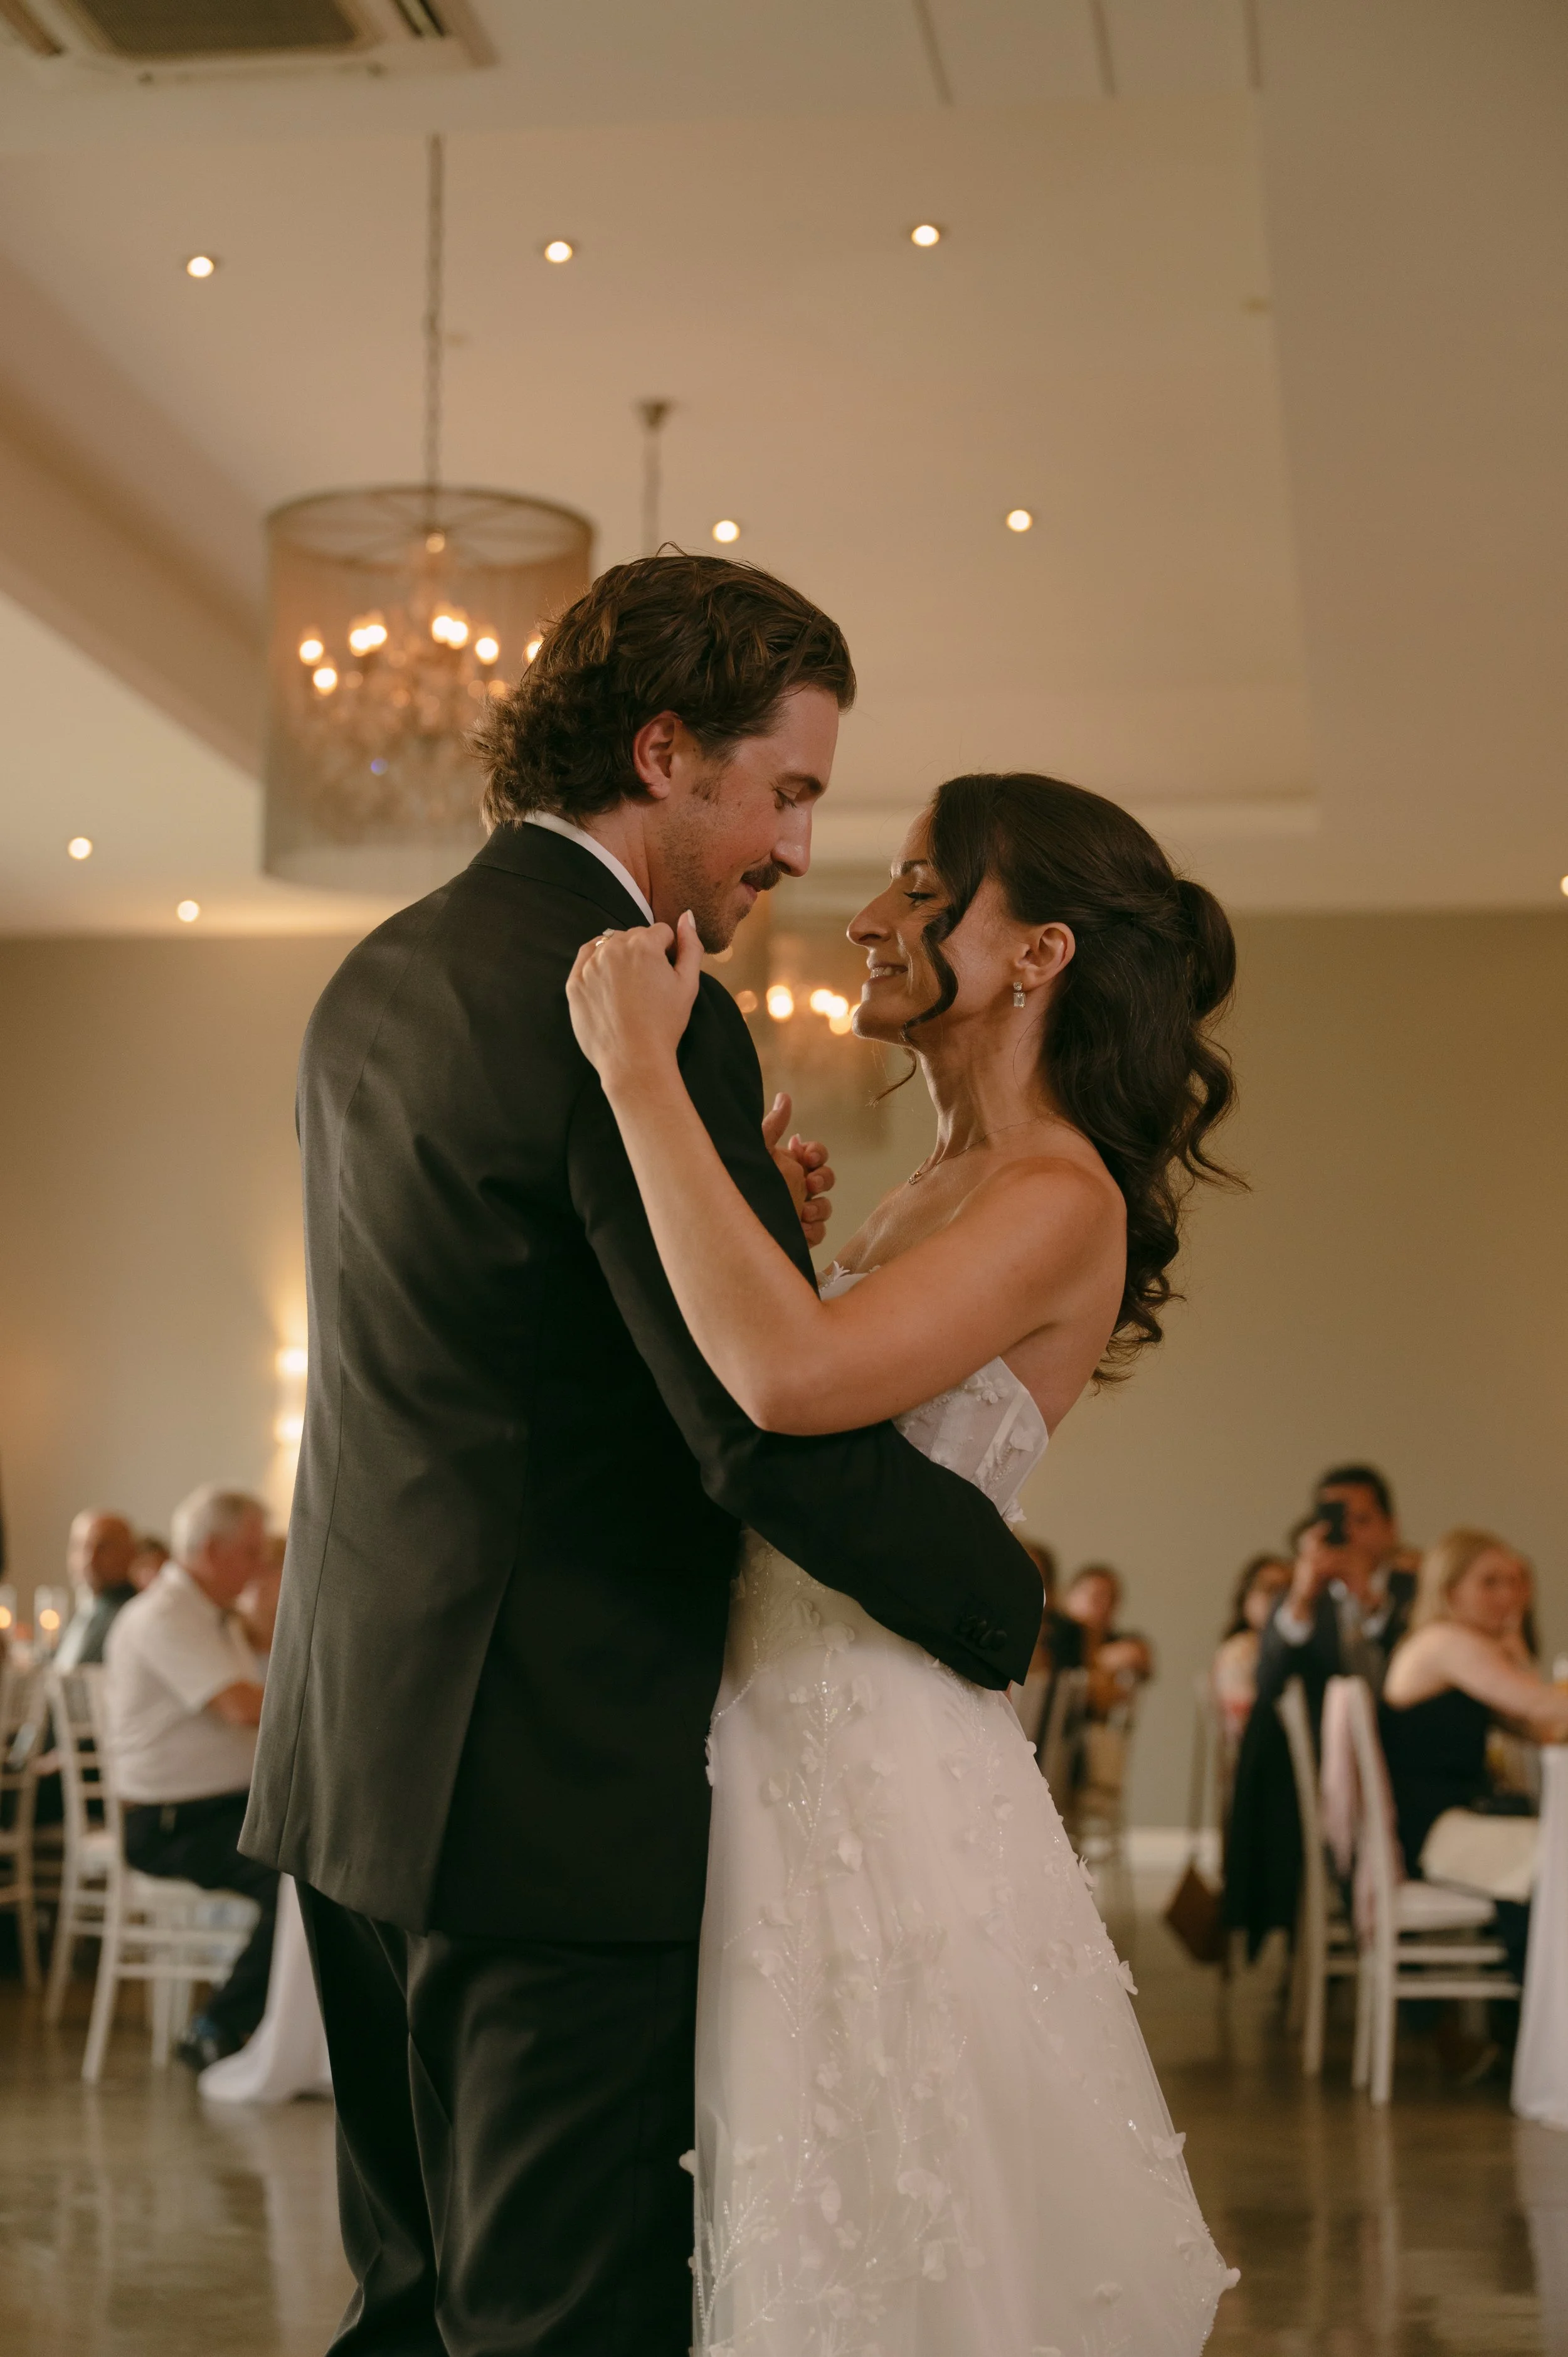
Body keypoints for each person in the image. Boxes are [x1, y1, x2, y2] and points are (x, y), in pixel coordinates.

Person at [241, 557, 1042, 2357]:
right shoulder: (638, 1001)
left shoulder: (379, 975)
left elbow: (485, 1354)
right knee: (559, 2318)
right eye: (786, 790)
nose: (793, 849)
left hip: (354, 1759)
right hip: (552, 1791)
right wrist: (992, 1593)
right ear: (665, 750)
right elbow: (752, 1428)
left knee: (415, 2301)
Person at [568, 767, 1241, 2351]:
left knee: (885, 2201)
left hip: (869, 1735)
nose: (868, 915)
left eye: (928, 890)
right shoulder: (940, 1181)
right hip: (775, 1702)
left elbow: (794, 1386)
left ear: (1040, 953)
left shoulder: (1060, 1191)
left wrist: (644, 1083)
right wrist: (793, 1243)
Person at [104, 1485, 278, 2069]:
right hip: (168, 1823)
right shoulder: (166, 1614)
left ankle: (299, 2036)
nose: (259, 1565)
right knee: (298, 1881)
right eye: (251, 1551)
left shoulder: (213, 1616)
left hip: (221, 1809)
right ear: (209, 1548)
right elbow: (240, 1706)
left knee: (322, 1862)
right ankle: (217, 2025)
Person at [1382, 1528, 1567, 1923]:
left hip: (1449, 1823)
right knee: (1560, 1854)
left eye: (1514, 1582)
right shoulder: (1447, 1643)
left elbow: (1540, 1731)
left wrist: (1516, 1652)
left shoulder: (1454, 1644)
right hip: (1436, 1834)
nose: (1510, 1596)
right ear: (1449, 1592)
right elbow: (1541, 1706)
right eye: (1490, 1583)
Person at [1211, 1551, 1293, 1750]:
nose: (1280, 1599)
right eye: (1270, 1590)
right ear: (1246, 1598)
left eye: (1288, 1590)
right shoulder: (1239, 1652)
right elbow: (1248, 1730)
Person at [1063, 1560, 1156, 1715]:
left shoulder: (1114, 1640)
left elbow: (1141, 1655)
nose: (1105, 1604)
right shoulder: (1057, 1634)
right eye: (1096, 1596)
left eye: (1111, 1598)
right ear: (1070, 1596)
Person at [55, 1510, 140, 1671]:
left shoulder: (131, 1615)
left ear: (131, 1553)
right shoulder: (88, 1607)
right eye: (80, 1546)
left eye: (102, 1547)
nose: (89, 1558)